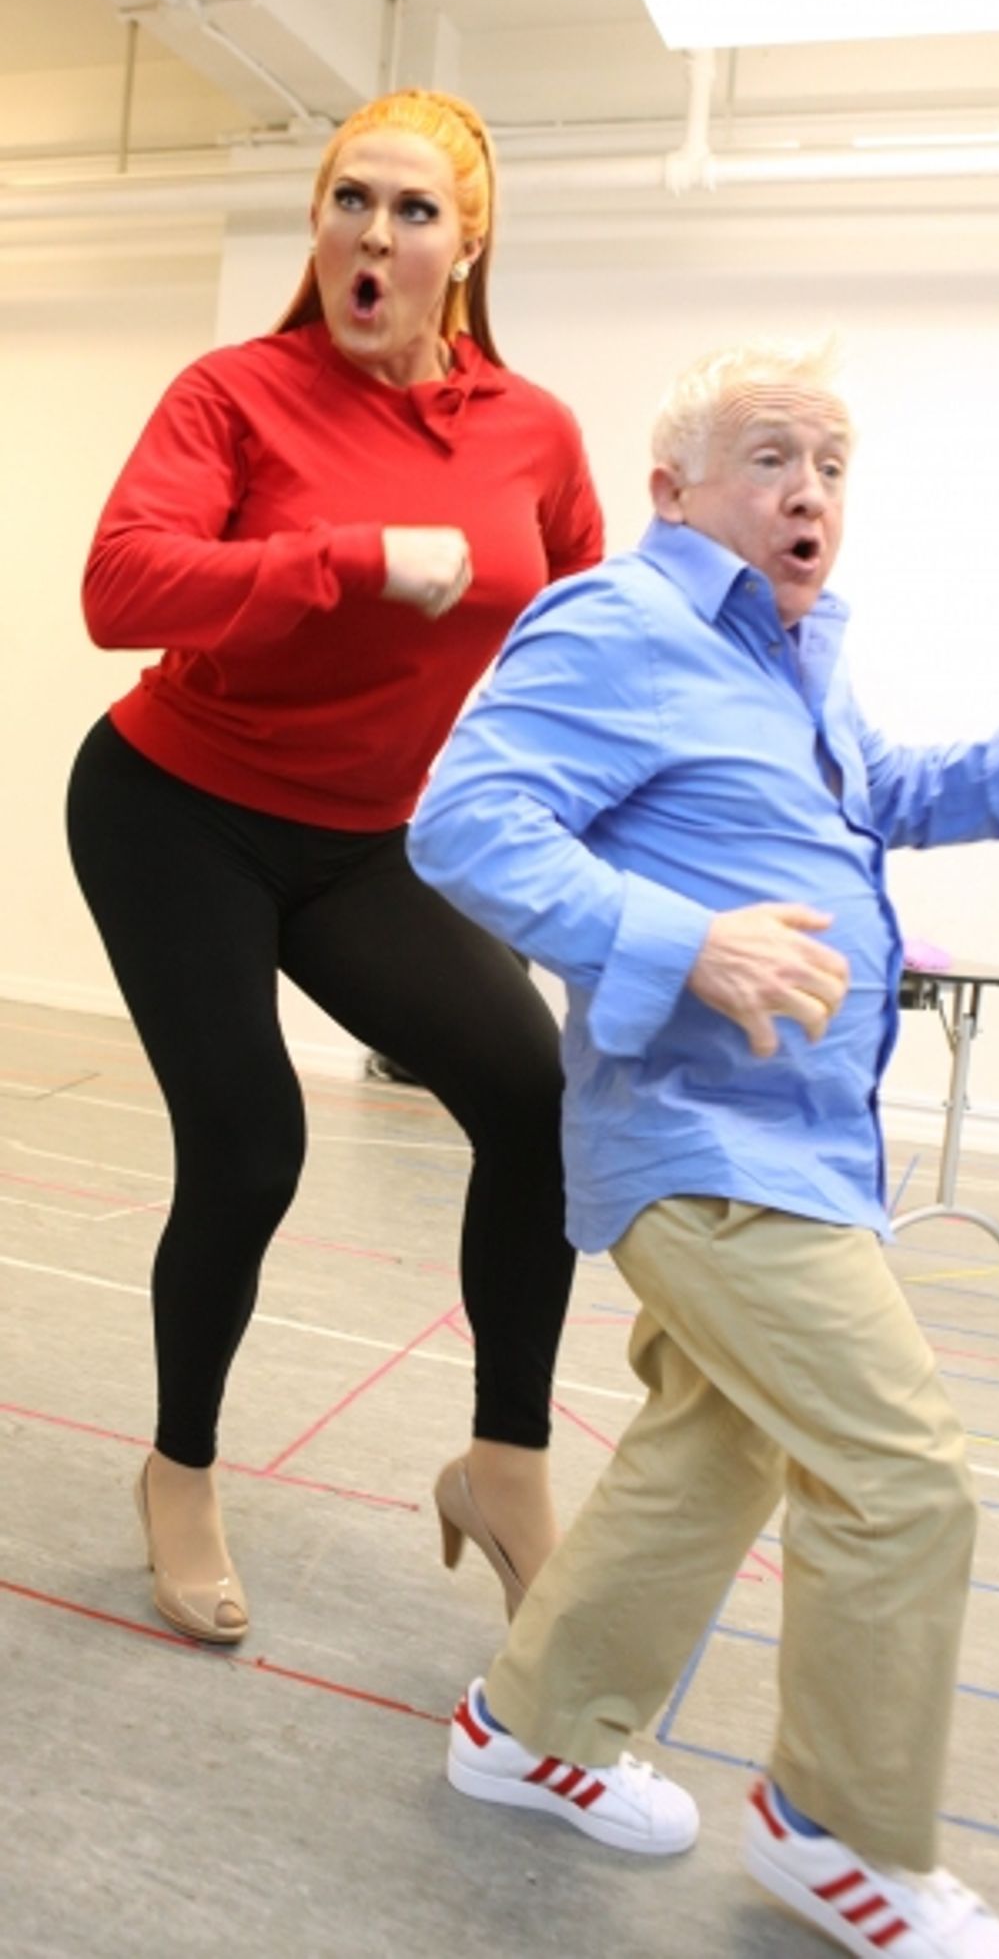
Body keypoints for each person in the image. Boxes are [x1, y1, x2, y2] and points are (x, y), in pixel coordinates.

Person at [407, 338, 999, 1958]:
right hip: (696, 1141)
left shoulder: (794, 657)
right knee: (901, 1474)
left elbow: (886, 791)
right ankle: (838, 1831)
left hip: (798, 1139)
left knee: (721, 1447)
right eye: (773, 455)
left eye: (832, 464)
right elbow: (464, 822)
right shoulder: (616, 622)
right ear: (673, 487)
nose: (810, 489)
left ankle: (529, 1729)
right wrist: (679, 937)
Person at [66, 87, 604, 1646]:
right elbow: (120, 584)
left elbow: (582, 640)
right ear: (320, 222)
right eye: (349, 201)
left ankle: (504, 1464)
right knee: (250, 1146)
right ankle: (179, 1468)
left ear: (468, 238)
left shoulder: (533, 431)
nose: (375, 235)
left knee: (536, 1096)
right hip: (178, 808)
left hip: (373, 839)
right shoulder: (235, 393)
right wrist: (344, 557)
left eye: (413, 210)